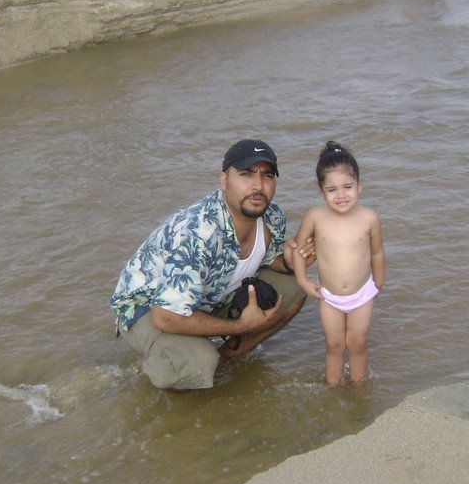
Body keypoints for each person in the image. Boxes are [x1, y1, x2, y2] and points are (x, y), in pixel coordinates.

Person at [110, 139, 313, 390]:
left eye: (267, 176)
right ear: (224, 180)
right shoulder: (199, 233)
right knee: (196, 365)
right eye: (246, 174)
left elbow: (269, 259)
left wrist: (291, 263)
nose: (258, 186)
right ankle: (157, 367)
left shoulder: (272, 215)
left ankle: (223, 358)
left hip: (209, 296)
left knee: (296, 289)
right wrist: (241, 326)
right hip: (147, 307)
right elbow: (165, 316)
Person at [289, 142, 385, 386]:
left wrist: (379, 280)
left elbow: (376, 252)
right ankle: (332, 388)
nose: (341, 195)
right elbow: (298, 251)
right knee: (334, 345)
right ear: (322, 191)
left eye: (348, 187)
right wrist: (303, 281)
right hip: (329, 296)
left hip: (362, 294)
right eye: (332, 189)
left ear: (360, 186)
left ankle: (359, 387)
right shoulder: (315, 216)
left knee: (358, 343)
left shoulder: (369, 218)